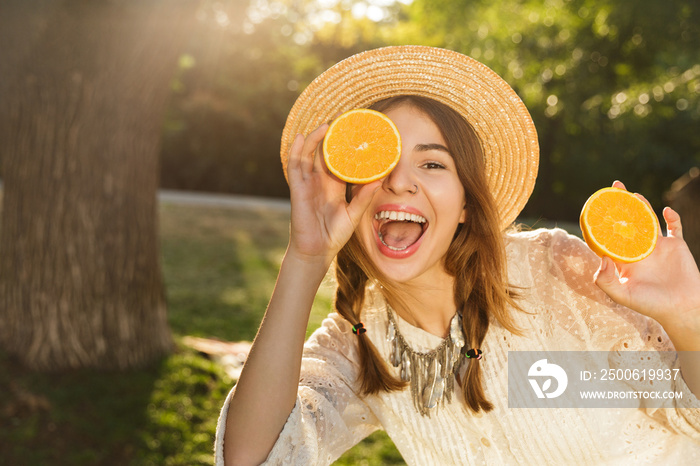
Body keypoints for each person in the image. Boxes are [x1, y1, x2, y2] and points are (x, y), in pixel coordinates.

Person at [215, 46, 700, 465]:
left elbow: (687, 410)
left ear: (467, 202)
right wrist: (305, 259)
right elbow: (252, 457)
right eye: (379, 162)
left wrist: (688, 317)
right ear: (348, 191)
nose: (400, 181)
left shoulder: (558, 273)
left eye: (431, 162)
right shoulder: (357, 342)